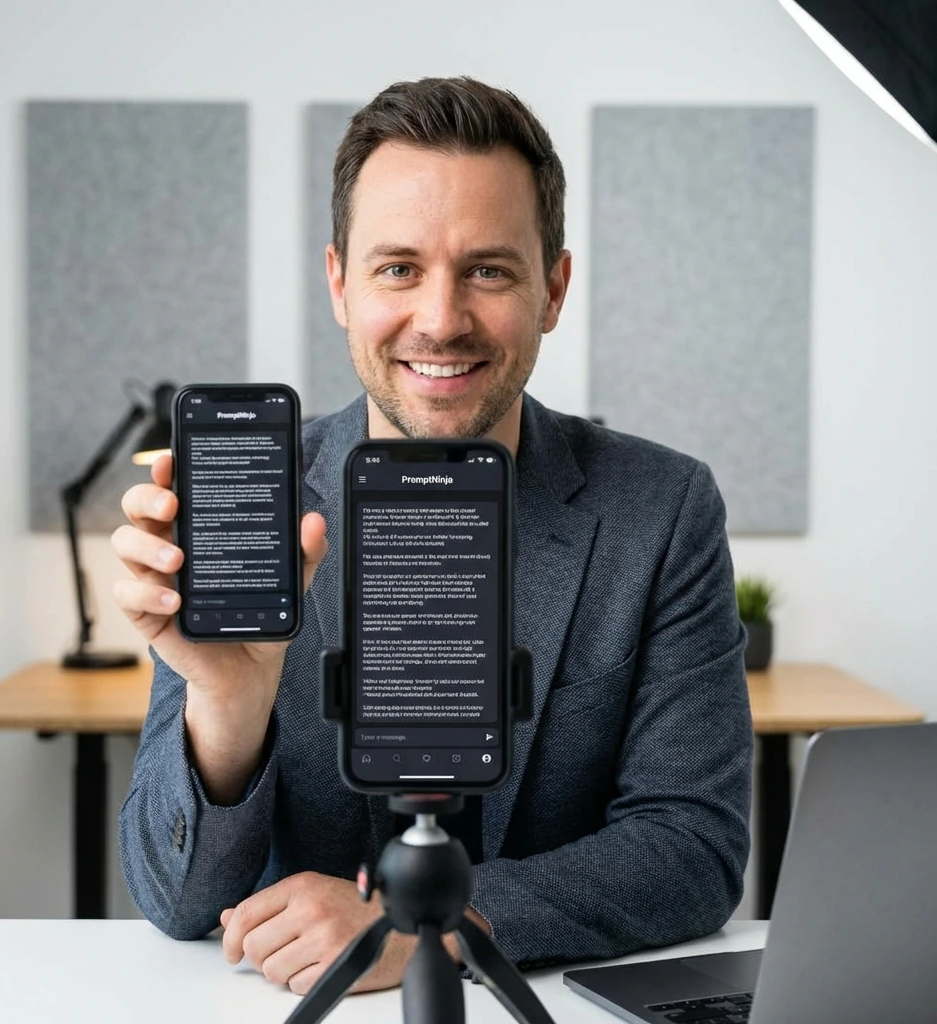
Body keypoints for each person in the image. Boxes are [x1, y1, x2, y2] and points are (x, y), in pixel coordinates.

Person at [114, 76, 752, 996]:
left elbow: (694, 847)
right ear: (340, 283)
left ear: (552, 289)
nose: (442, 320)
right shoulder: (250, 501)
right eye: (398, 268)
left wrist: (435, 927)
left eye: (488, 270)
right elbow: (177, 900)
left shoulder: (661, 509)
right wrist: (226, 705)